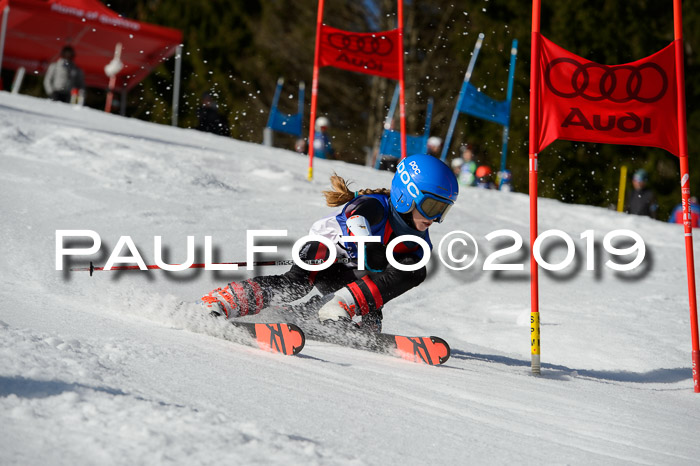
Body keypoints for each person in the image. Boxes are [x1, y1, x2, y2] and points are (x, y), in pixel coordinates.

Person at [199, 154, 459, 332]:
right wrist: (369, 248)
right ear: (406, 195)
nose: (435, 218)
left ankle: (311, 314)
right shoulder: (377, 206)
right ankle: (224, 301)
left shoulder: (416, 240)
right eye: (432, 206)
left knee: (414, 270)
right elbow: (356, 220)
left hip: (350, 277)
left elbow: (388, 281)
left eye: (443, 210)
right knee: (295, 286)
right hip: (324, 254)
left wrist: (371, 307)